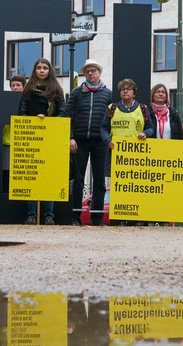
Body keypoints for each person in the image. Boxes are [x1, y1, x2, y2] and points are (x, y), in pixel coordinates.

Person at [63, 59, 113, 226]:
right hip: (80, 141)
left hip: (100, 142)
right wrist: (71, 137)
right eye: (88, 71)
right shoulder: (77, 93)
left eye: (94, 70)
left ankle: (97, 217)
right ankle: (75, 217)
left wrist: (108, 138)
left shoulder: (108, 94)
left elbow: (113, 119)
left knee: (99, 181)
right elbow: (67, 116)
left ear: (99, 73)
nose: (91, 73)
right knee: (78, 179)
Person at [16, 57, 65, 224]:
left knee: (49, 177)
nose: (42, 70)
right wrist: (34, 120)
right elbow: (21, 112)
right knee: (33, 178)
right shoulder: (28, 89)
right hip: (33, 137)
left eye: (45, 68)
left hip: (52, 138)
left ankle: (49, 215)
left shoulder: (57, 90)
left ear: (49, 70)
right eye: (39, 68)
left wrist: (49, 121)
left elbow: (62, 113)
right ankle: (31, 214)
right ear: (35, 70)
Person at [101, 78, 149, 226]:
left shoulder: (143, 109)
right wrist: (108, 139)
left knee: (134, 186)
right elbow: (103, 128)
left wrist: (145, 134)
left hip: (136, 156)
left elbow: (150, 128)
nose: (125, 91)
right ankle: (118, 218)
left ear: (134, 93)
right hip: (116, 155)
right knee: (117, 187)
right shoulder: (112, 108)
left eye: (128, 89)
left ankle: (135, 218)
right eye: (123, 89)